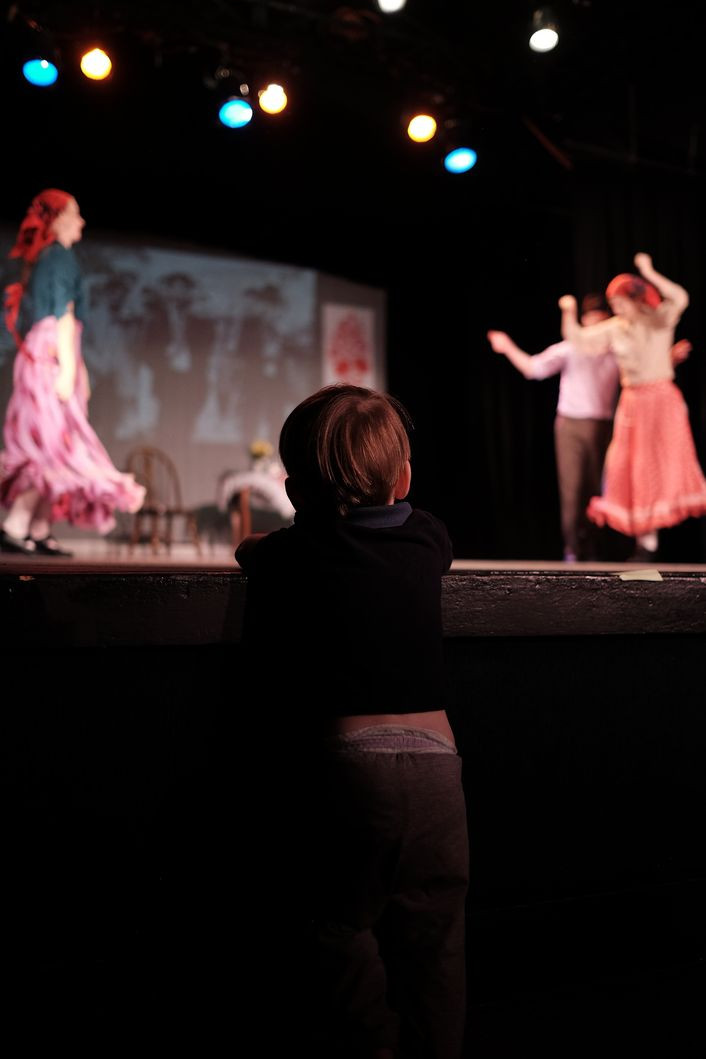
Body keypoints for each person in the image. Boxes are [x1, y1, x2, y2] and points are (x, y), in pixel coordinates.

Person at [235, 384, 469, 1059]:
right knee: (437, 940)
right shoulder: (428, 536)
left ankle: (372, 1046)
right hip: (438, 773)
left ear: (295, 492)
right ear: (404, 480)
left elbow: (251, 551)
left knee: (336, 926)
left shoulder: (295, 552)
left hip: (350, 771)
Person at [0, 189, 145, 556]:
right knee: (51, 445)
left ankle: (38, 527)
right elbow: (61, 317)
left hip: (50, 352)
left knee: (57, 443)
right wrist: (67, 369)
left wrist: (78, 370)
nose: (81, 221)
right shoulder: (59, 256)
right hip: (51, 352)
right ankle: (16, 525)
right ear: (58, 219)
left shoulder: (51, 257)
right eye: (75, 213)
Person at [559, 252, 706, 560]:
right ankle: (646, 544)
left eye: (620, 302)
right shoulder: (616, 327)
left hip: (661, 401)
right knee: (633, 469)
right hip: (633, 403)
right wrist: (568, 311)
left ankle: (648, 545)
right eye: (613, 303)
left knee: (669, 466)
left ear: (635, 299)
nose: (616, 308)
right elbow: (579, 339)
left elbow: (680, 297)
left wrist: (648, 272)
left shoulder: (658, 320)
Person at [488, 293, 619, 561]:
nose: (596, 328)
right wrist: (507, 346)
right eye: (591, 321)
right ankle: (572, 550)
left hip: (604, 426)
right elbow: (533, 368)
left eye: (601, 322)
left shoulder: (617, 350)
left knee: (599, 490)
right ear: (583, 322)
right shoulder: (571, 348)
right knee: (572, 489)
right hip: (571, 425)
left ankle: (597, 550)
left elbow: (642, 371)